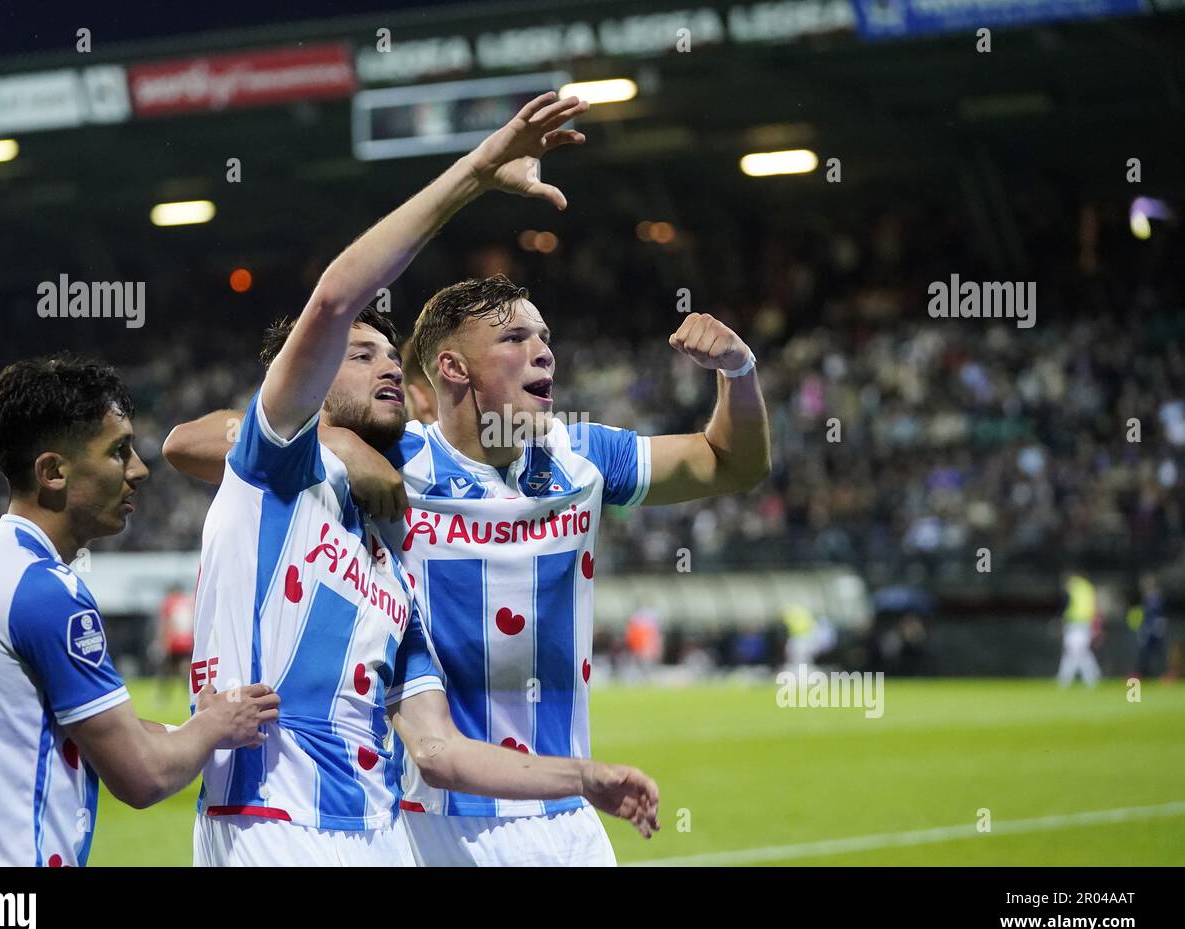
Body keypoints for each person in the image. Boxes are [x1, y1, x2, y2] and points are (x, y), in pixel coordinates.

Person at [164, 90, 769, 865]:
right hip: (426, 816)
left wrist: (740, 372)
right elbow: (194, 442)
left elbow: (732, 462)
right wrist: (337, 441)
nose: (543, 352)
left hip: (561, 811)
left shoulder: (582, 454)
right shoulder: (398, 460)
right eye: (516, 338)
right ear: (451, 367)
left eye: (546, 337)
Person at [0, 356, 280, 868]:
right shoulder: (48, 593)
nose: (140, 470)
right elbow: (142, 777)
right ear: (53, 471)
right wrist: (217, 726)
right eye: (118, 452)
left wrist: (188, 729)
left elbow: (83, 728)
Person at [1058, 570, 1100, 689]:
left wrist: (1062, 620)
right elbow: (1093, 608)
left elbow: (1067, 605)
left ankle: (1066, 680)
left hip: (1075, 624)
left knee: (1075, 652)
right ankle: (1090, 678)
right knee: (1078, 653)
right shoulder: (1088, 587)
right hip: (1084, 624)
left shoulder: (1073, 587)